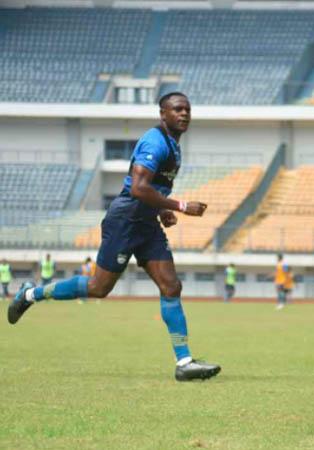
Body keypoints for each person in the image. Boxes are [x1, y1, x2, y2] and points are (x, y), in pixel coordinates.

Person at [8, 92, 221, 381]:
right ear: (163, 114)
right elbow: (137, 188)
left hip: (145, 223)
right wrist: (180, 206)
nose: (184, 114)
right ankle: (31, 294)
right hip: (125, 220)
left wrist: (160, 211)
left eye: (187, 110)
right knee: (98, 287)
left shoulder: (174, 146)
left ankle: (184, 363)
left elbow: (152, 188)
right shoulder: (155, 141)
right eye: (177, 109)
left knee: (171, 286)